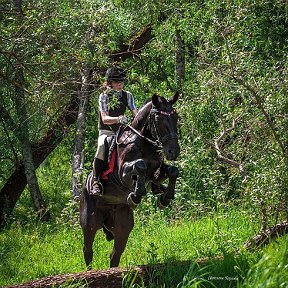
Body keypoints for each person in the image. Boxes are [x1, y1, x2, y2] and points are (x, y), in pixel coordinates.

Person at [90, 66, 138, 195]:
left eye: (121, 81)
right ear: (110, 83)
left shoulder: (128, 96)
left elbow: (136, 115)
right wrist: (118, 119)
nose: (120, 84)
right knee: (101, 146)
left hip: (122, 132)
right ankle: (96, 181)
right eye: (117, 82)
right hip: (107, 132)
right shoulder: (104, 96)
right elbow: (105, 119)